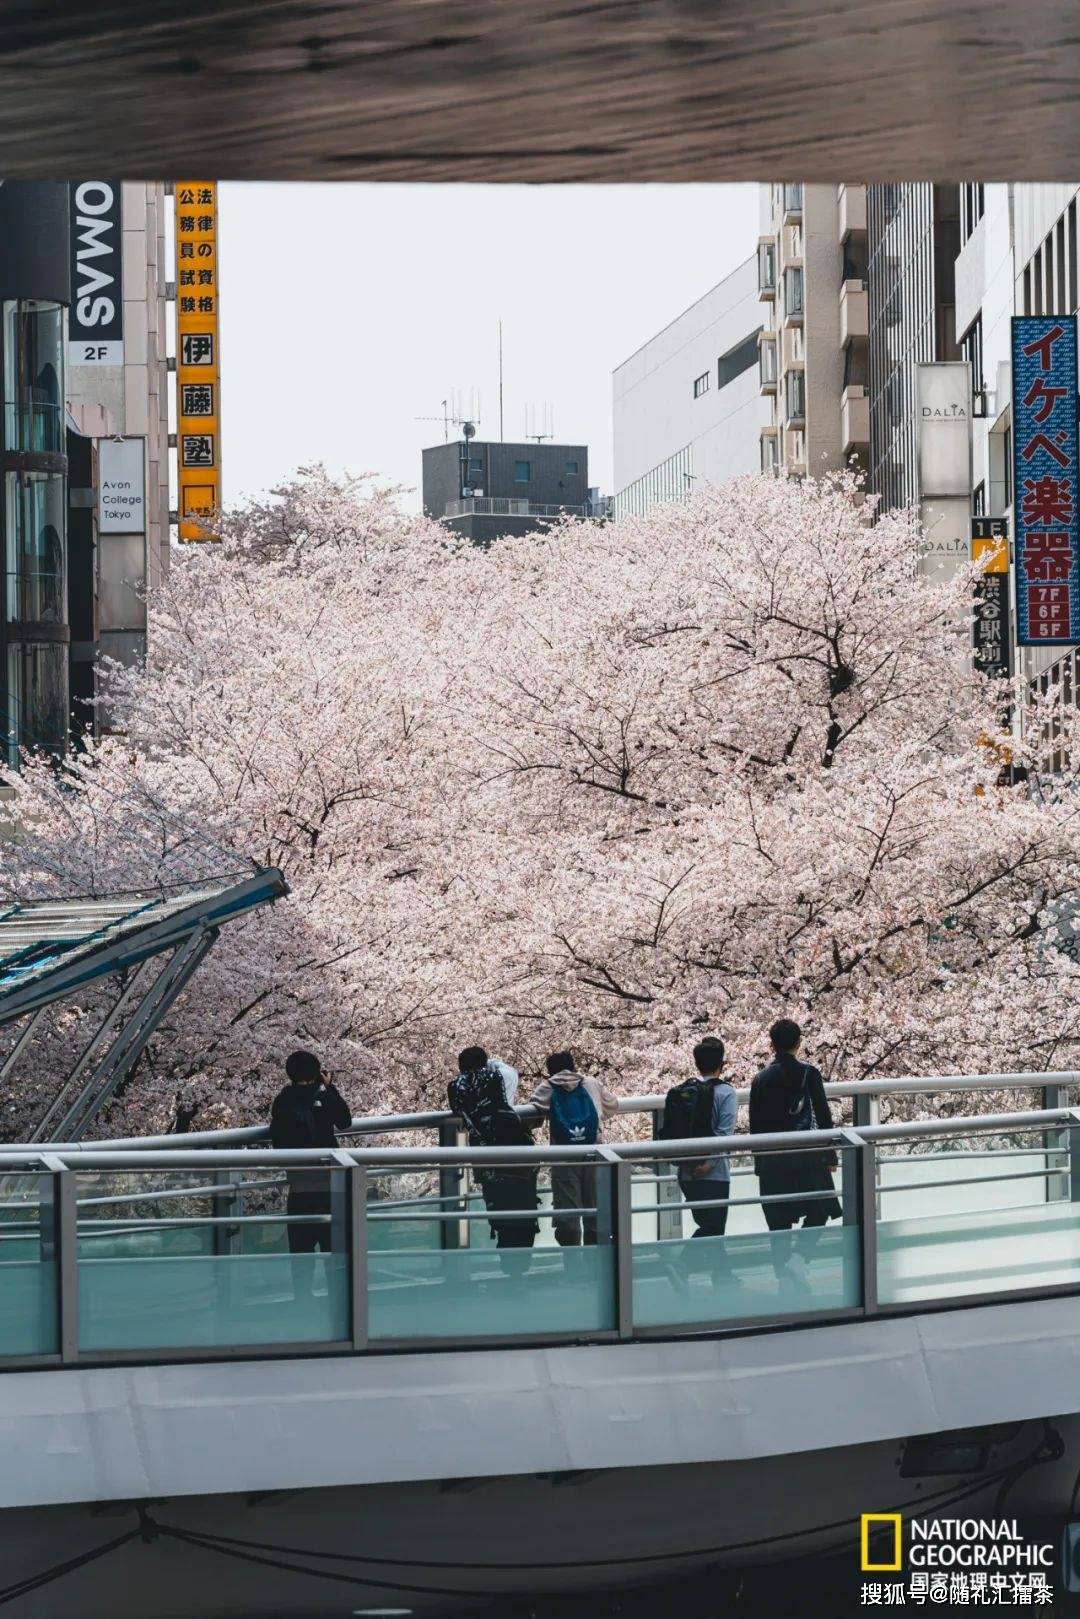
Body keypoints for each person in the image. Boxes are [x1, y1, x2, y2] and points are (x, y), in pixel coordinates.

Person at [749, 1019, 842, 1289]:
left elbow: (756, 1125)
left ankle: (783, 1274)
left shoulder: (759, 1079)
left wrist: (759, 1162)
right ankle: (799, 1260)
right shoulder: (808, 1073)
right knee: (821, 1206)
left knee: (778, 1221)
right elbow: (822, 1115)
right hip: (807, 1157)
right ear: (798, 1043)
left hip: (773, 1161)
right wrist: (830, 1155)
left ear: (771, 1044)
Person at [447, 1046, 538, 1269]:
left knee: (499, 1208)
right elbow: (503, 1104)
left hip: (485, 1155)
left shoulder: (454, 1086)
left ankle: (509, 1265)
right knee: (523, 1204)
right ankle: (521, 1264)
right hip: (515, 1147)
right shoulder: (494, 1076)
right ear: (484, 1061)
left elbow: (458, 1112)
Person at [269, 1050, 352, 1264]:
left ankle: (303, 1297)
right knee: (335, 1256)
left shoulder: (283, 1101)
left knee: (301, 1257)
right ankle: (336, 1297)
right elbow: (344, 1121)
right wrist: (329, 1087)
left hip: (299, 1188)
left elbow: (278, 1141)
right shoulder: (323, 1097)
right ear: (317, 1072)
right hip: (329, 1187)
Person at [529, 1052, 618, 1247]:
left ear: (550, 1070)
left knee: (568, 1215)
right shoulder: (591, 1083)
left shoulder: (549, 1086)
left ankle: (574, 1267)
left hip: (564, 1157)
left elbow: (532, 1111)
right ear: (572, 1066)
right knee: (596, 1210)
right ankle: (597, 1264)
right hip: (595, 1153)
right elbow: (613, 1106)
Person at [671, 1038, 738, 1240]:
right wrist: (709, 1164)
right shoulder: (726, 1093)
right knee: (713, 1228)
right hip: (715, 1174)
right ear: (722, 1064)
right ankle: (680, 1265)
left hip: (687, 1172)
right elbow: (724, 1134)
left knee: (709, 1226)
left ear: (696, 1064)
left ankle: (719, 1271)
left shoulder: (685, 1092)